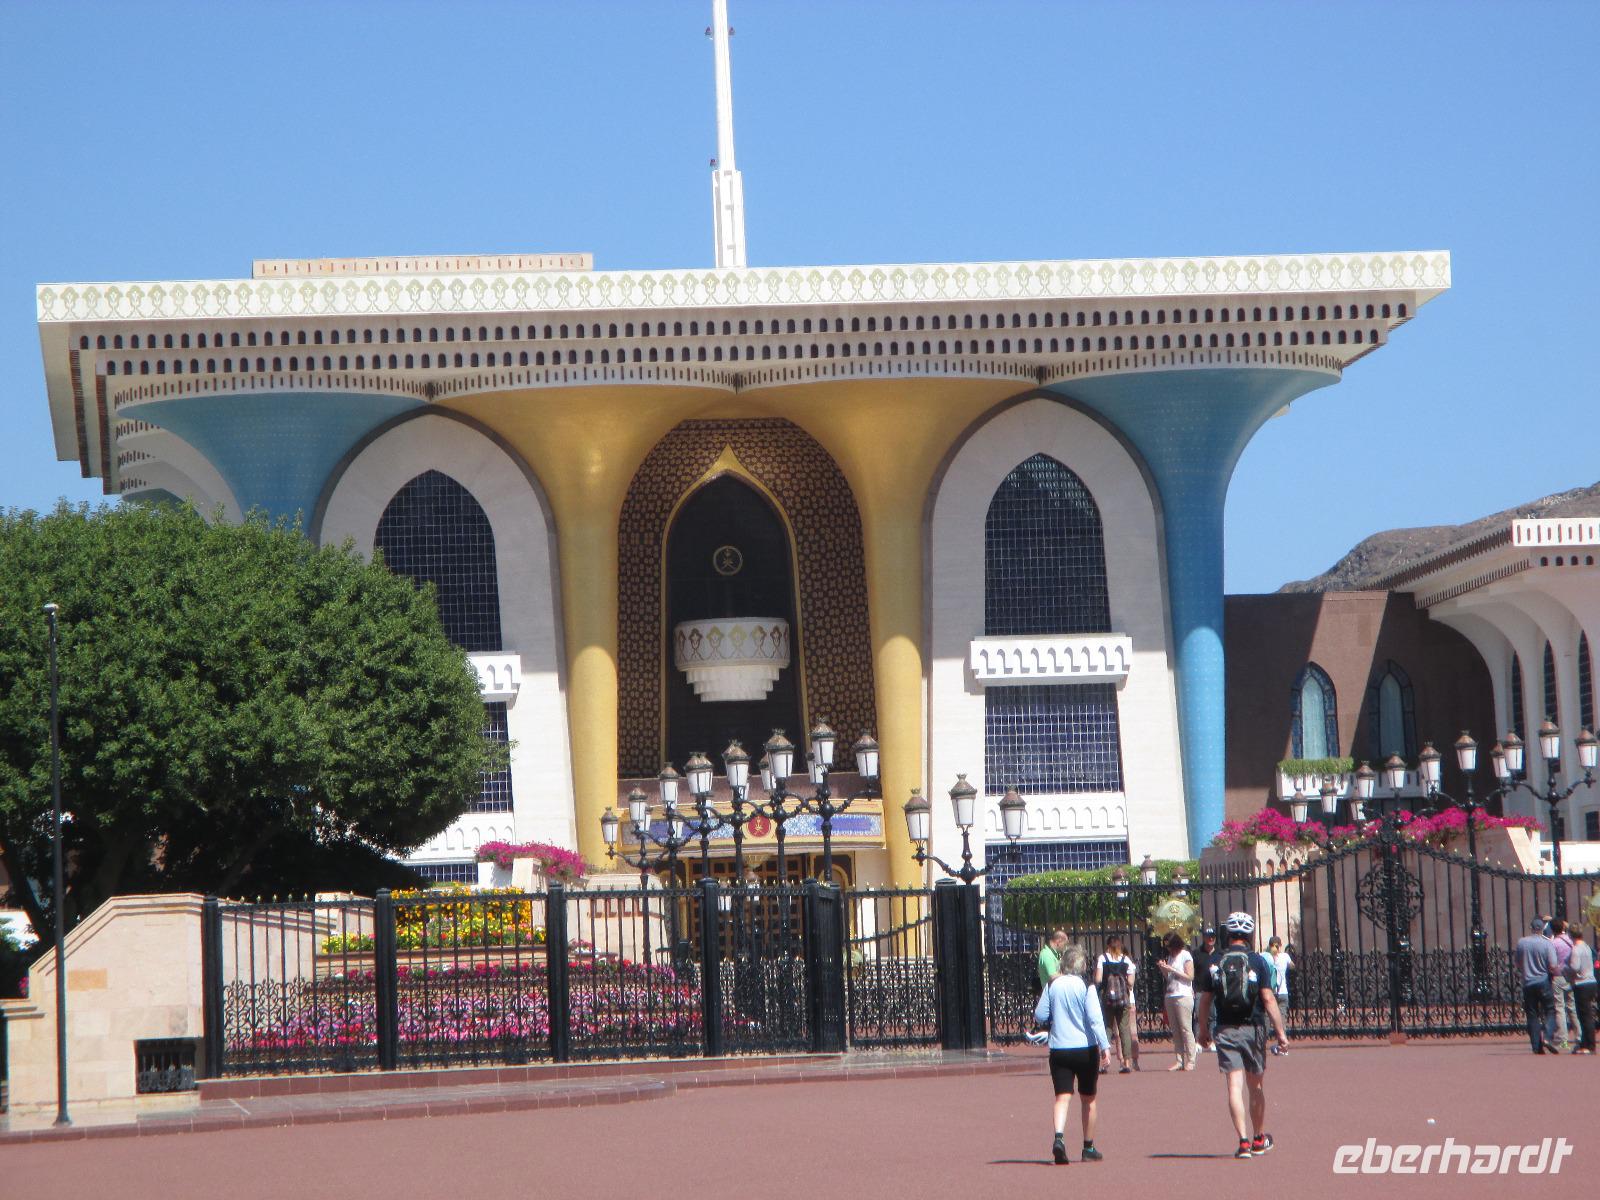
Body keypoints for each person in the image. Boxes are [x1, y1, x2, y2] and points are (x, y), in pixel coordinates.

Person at [1195, 912, 1290, 1160]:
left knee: (1233, 1087)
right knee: (1256, 1086)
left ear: (1228, 933)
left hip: (1225, 1029)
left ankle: (1243, 1142)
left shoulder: (1215, 960)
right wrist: (1280, 1033)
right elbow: (1268, 998)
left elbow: (1205, 1000)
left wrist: (1203, 1030)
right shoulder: (1257, 961)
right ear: (1249, 935)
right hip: (1254, 1027)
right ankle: (1259, 1138)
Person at [1034, 942, 1111, 1164]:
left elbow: (1040, 1015)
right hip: (1084, 1048)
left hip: (1059, 1048)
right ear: (1082, 965)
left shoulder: (1053, 985)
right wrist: (1105, 1047)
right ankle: (1088, 1147)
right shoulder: (1085, 986)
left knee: (1062, 1097)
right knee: (1088, 1098)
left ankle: (1059, 1137)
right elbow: (1096, 1020)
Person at [1513, 917, 1560, 1055]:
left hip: (1528, 982)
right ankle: (1547, 1036)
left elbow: (1517, 963)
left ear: (1531, 928)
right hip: (1543, 981)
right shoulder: (1547, 944)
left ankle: (1536, 1046)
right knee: (1550, 1010)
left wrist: (1526, 968)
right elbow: (1552, 965)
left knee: (1532, 1014)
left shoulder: (1522, 942)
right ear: (1542, 929)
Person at [1095, 934, 1140, 1073]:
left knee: (1107, 1029)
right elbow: (1131, 982)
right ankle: (1126, 1062)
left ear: (1108, 946)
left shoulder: (1102, 958)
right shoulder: (1126, 960)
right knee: (1124, 1029)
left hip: (1107, 999)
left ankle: (1105, 1062)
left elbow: (1098, 979)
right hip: (1123, 999)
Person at [1156, 931, 1196, 1070]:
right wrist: (1163, 969)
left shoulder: (1185, 955)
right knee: (1175, 1030)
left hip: (1183, 995)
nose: (1168, 949)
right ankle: (1179, 1060)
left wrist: (1172, 969)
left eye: (1170, 946)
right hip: (1171, 994)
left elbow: (1190, 976)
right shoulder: (1170, 957)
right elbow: (1169, 977)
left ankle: (1191, 1059)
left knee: (1186, 1028)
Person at [1567, 927, 1596, 1054]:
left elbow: (1575, 967)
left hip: (1581, 983)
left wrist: (1565, 969)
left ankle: (1590, 1045)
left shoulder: (1575, 949)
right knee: (1585, 1015)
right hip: (1591, 982)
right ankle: (1585, 1043)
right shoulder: (1586, 946)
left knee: (1585, 1016)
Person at [1551, 918, 1577, 1052]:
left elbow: (1551, 962)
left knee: (1559, 1008)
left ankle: (1563, 1038)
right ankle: (1579, 1035)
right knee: (1572, 1006)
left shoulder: (1553, 943)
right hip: (1570, 975)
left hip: (1558, 976)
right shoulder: (1570, 940)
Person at [1192, 926, 1218, 1050]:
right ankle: (1199, 1041)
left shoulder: (1220, 953)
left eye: (1212, 936)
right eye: (1208, 937)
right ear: (1204, 938)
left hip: (1215, 990)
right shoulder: (1197, 953)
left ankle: (1212, 1041)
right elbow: (1192, 972)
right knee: (1199, 1016)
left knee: (1213, 1016)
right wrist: (1192, 988)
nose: (1210, 939)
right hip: (1200, 989)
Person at [1266, 936, 1294, 1023]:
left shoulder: (1266, 957)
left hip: (1270, 991)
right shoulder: (1285, 956)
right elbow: (1292, 966)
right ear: (1280, 945)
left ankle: (1265, 1035)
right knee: (1282, 1018)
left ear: (1270, 945)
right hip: (1282, 991)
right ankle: (1282, 1035)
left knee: (1267, 1016)